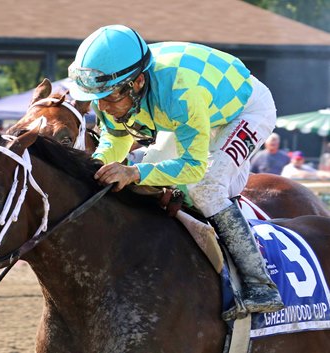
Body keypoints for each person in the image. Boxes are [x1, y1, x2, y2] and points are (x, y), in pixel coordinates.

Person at [68, 25, 283, 320]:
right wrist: (96, 165)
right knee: (152, 163)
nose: (102, 106)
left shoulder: (179, 90)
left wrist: (133, 172)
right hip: (193, 114)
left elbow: (193, 167)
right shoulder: (115, 88)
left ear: (138, 82)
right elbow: (116, 139)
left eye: (109, 98)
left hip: (244, 110)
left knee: (205, 187)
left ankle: (260, 284)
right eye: (97, 98)